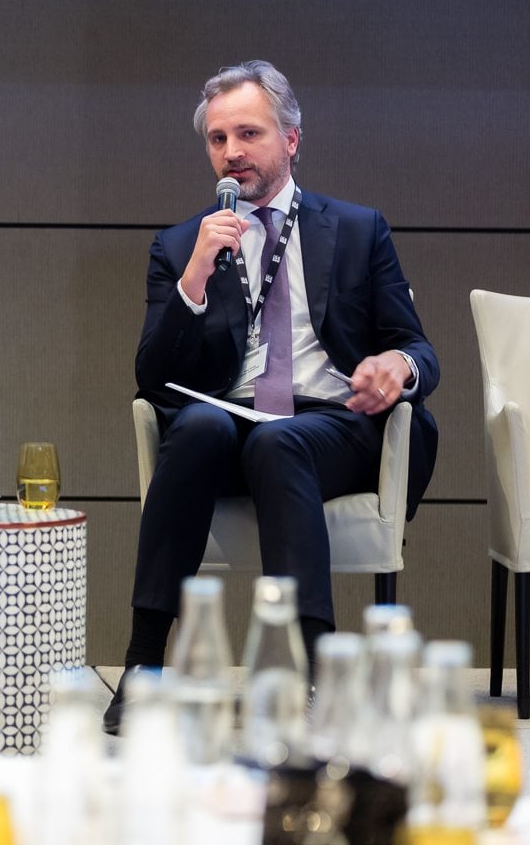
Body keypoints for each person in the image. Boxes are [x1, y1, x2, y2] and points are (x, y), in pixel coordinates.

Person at [107, 60, 439, 734]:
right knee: (196, 428)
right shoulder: (181, 245)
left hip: (332, 424)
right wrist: (195, 276)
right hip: (231, 424)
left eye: (249, 134)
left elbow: (418, 347)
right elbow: (153, 378)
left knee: (280, 441)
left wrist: (396, 365)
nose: (231, 152)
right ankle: (144, 662)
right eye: (218, 138)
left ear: (291, 139)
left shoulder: (358, 229)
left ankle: (313, 669)